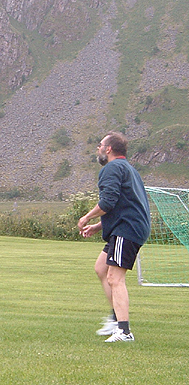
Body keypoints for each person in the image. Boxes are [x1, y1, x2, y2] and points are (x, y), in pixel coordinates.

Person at [78, 131, 150, 342]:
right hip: (128, 226)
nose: (98, 148)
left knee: (115, 278)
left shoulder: (111, 168)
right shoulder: (129, 169)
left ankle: (124, 331)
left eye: (100, 145)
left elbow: (108, 202)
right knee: (101, 268)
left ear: (108, 149)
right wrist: (98, 226)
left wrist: (86, 217)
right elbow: (124, 205)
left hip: (126, 229)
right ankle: (115, 319)